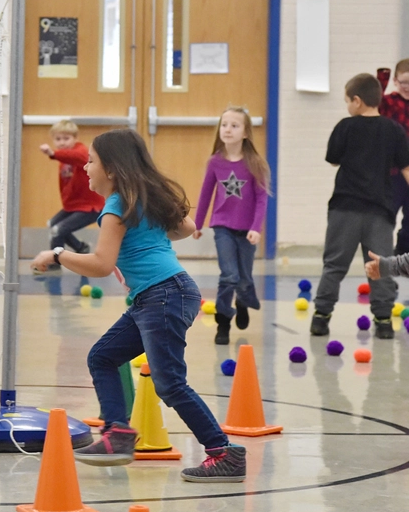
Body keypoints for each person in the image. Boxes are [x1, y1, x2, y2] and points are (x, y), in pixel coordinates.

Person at [31, 128, 247, 482]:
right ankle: (117, 433)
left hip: (162, 295)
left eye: (91, 162)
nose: (86, 168)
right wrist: (143, 243)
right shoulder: (143, 198)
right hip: (165, 293)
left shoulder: (116, 205)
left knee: (170, 384)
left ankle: (224, 453)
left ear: (112, 170)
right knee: (103, 356)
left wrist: (56, 254)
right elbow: (186, 227)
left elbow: (100, 264)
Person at [310, 73, 409, 339]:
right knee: (380, 265)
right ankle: (384, 321)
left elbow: (333, 159)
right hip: (380, 212)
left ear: (357, 100)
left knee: (334, 265)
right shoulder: (394, 130)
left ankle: (321, 317)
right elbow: (406, 168)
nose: (347, 107)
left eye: (347, 101)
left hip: (344, 208)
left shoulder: (345, 126)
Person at [193, 107, 270, 345]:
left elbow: (261, 199)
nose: (227, 129)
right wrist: (197, 224)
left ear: (246, 132)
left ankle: (243, 301)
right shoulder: (215, 162)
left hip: (247, 229)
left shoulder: (255, 163)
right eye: (224, 124)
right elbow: (206, 194)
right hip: (222, 226)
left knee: (244, 278)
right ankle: (223, 322)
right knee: (229, 275)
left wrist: (256, 227)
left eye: (234, 125)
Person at [37, 119, 104, 265]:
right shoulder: (63, 157)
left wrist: (52, 153)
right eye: (58, 139)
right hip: (73, 206)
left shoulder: (81, 152)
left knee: (58, 230)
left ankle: (54, 263)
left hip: (90, 207)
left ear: (75, 138)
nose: (62, 143)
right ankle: (81, 247)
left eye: (66, 139)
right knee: (52, 224)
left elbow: (77, 157)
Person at [377, 60, 409, 254]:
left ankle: (403, 254)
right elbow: (374, 101)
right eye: (404, 82)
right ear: (396, 81)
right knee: (387, 215)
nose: (408, 87)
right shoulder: (389, 102)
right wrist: (382, 79)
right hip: (394, 172)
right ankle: (382, 254)